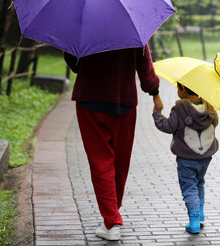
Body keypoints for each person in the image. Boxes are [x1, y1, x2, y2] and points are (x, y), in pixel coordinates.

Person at [64, 44, 163, 241]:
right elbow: (144, 62)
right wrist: (155, 93)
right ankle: (112, 215)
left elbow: (74, 62)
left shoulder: (82, 24)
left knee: (100, 162)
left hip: (90, 100)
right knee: (120, 161)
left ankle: (111, 221)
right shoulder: (132, 22)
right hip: (123, 100)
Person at [152, 82, 219, 234]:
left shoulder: (180, 108)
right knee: (199, 182)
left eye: (178, 87)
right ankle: (200, 214)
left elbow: (168, 126)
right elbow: (215, 123)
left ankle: (194, 222)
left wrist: (157, 114)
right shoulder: (209, 106)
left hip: (187, 158)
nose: (177, 90)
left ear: (183, 90)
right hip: (205, 157)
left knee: (189, 187)